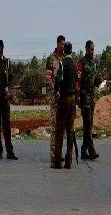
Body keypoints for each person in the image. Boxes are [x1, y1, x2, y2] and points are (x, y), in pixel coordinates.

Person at [53, 42, 77, 169]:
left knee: (60, 129)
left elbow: (58, 80)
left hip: (64, 98)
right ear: (71, 51)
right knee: (70, 130)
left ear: (64, 51)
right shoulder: (74, 65)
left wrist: (56, 91)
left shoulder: (63, 64)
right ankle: (69, 160)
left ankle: (57, 161)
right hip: (73, 98)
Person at [76, 40, 101, 160]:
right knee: (87, 124)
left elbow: (94, 79)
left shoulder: (93, 63)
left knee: (89, 125)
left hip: (91, 98)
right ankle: (91, 150)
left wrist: (99, 81)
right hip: (84, 97)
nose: (92, 51)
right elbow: (78, 80)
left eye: (93, 49)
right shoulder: (81, 62)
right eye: (91, 49)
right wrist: (78, 97)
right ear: (86, 49)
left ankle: (83, 151)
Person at [46, 35, 65, 167]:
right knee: (54, 127)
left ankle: (59, 153)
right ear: (57, 44)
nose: (63, 47)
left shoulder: (65, 59)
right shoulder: (50, 59)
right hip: (54, 98)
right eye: (62, 44)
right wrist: (55, 90)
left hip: (64, 98)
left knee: (61, 127)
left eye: (64, 44)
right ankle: (53, 154)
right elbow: (48, 78)